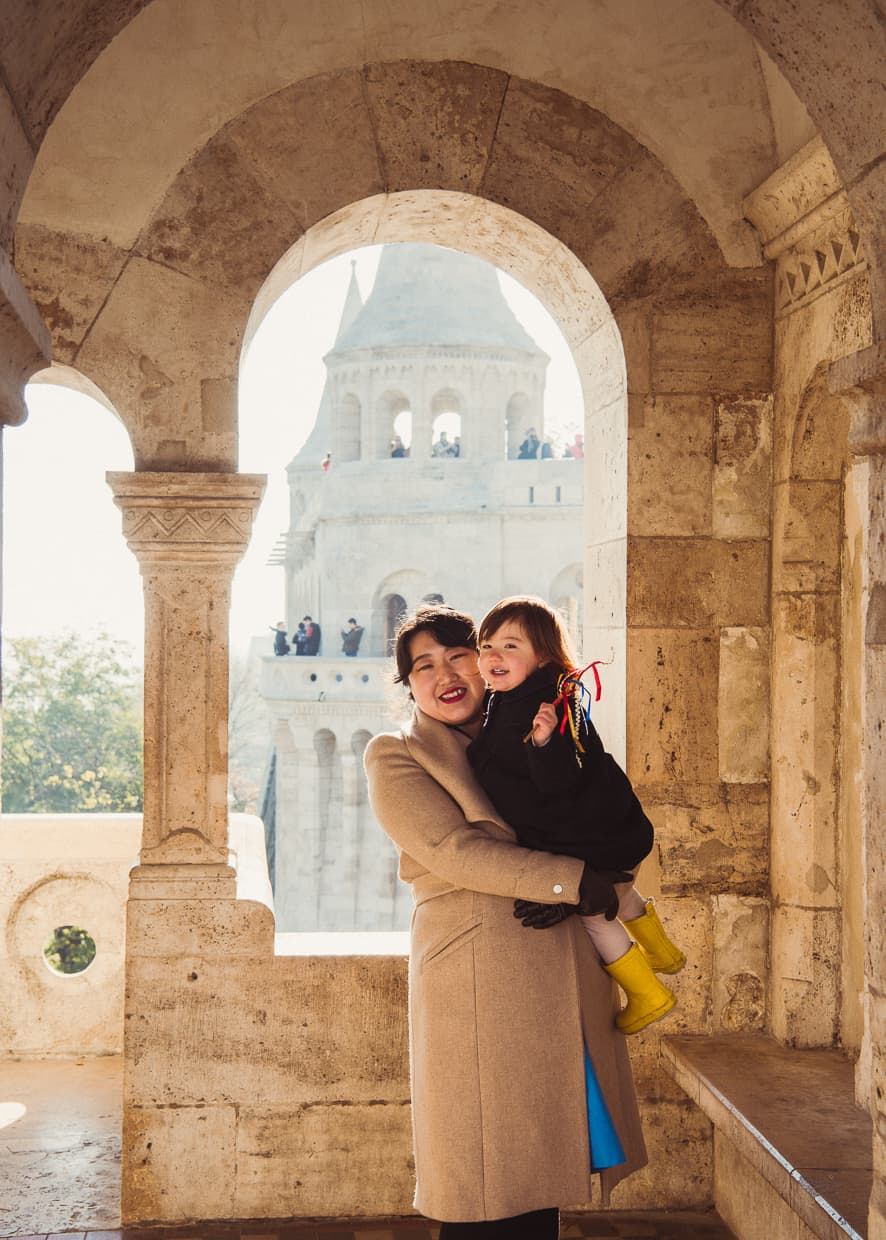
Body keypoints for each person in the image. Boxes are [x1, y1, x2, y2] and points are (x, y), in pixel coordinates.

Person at [364, 604, 646, 1237]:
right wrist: (572, 881)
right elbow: (453, 851)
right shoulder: (398, 754)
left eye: (459, 655)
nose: (447, 674)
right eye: (424, 666)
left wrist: (601, 872)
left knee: (539, 1180)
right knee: (483, 1182)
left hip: (554, 971)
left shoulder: (529, 730)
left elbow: (589, 812)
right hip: (477, 982)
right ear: (408, 684)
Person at [468, 595, 686, 1035]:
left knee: (595, 914)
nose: (493, 656)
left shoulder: (542, 710)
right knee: (621, 888)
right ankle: (663, 953)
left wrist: (546, 745)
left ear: (543, 654)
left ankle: (647, 993)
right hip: (606, 829)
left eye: (511, 646)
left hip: (582, 836)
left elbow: (558, 781)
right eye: (487, 645)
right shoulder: (532, 694)